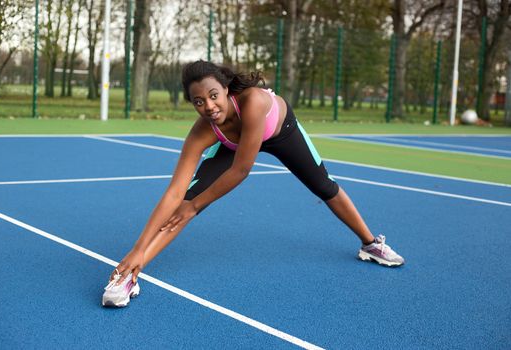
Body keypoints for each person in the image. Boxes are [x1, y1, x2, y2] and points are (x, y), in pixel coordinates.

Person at [102, 60, 404, 307]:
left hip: (280, 132)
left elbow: (242, 169)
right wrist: (138, 248)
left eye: (213, 95)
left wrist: (195, 205)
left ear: (225, 89)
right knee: (181, 205)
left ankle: (370, 244)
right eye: (198, 101)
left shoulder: (254, 101)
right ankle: (130, 274)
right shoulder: (201, 132)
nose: (208, 106)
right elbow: (174, 192)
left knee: (324, 186)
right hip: (233, 142)